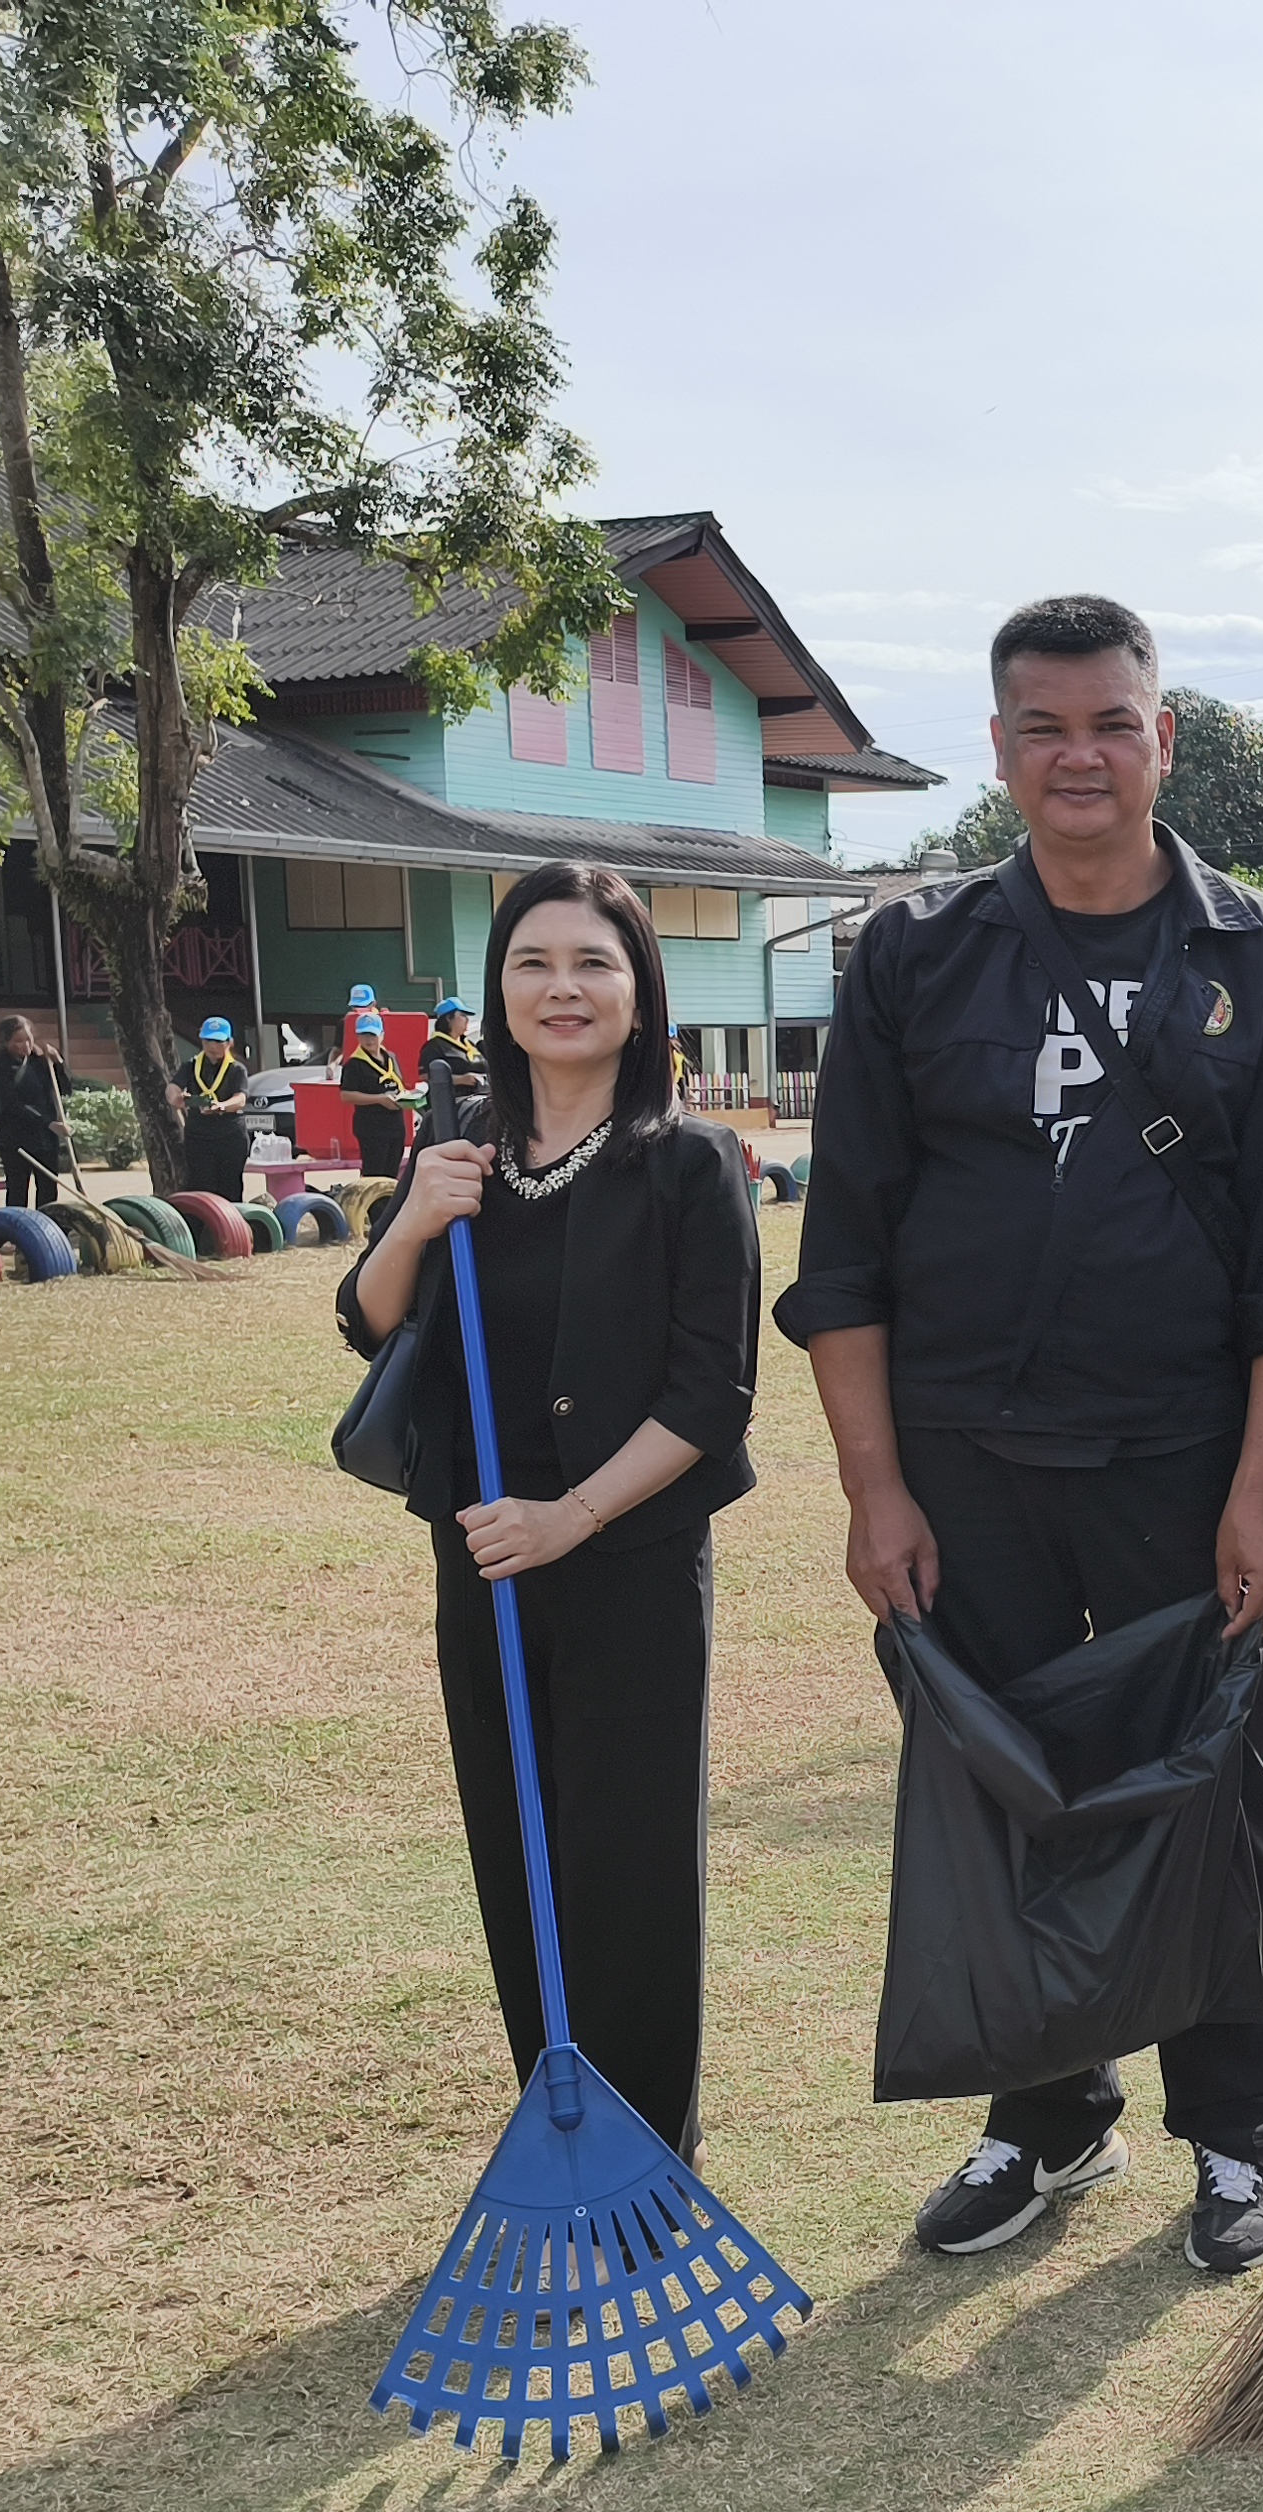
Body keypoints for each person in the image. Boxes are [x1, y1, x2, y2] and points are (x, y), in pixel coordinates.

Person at [780, 593, 1263, 2274]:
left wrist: (1260, 1487)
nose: (1078, 755)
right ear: (1001, 749)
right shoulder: (916, 954)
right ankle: (1044, 2119)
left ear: (1163, 739)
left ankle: (1234, 2137)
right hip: (969, 1458)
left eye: (1111, 723)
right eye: (1043, 727)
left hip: (1185, 1461)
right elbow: (847, 1249)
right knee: (1000, 1787)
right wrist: (875, 1490)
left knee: (1210, 1785)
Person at [339, 864, 760, 2157]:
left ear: (641, 993)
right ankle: (562, 2131)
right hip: (482, 1560)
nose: (562, 988)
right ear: (497, 990)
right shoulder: (456, 1152)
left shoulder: (692, 1164)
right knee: (518, 1862)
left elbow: (711, 1395)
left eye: (593, 963)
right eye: (534, 963)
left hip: (623, 1560)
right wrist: (415, 1219)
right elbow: (370, 1319)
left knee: (626, 1872)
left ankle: (648, 2164)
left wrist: (570, 1516)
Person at [0, 1017, 70, 1208]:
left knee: (48, 1190)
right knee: (18, 1191)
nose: (25, 1045)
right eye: (18, 1040)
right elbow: (13, 1105)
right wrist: (48, 1122)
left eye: (28, 1039)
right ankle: (16, 1233)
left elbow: (65, 1090)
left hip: (45, 1140)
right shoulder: (1, 1067)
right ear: (5, 1041)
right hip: (16, 1140)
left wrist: (58, 1063)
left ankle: (47, 1232)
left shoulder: (41, 1062)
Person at [178, 1015, 254, 1202]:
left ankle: (232, 1229)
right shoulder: (190, 1066)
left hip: (230, 1136)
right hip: (198, 1136)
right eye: (208, 1040)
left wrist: (222, 1106)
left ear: (230, 1043)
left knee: (230, 1187)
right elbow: (174, 1087)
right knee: (201, 1187)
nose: (212, 1046)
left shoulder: (237, 1069)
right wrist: (176, 1097)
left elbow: (241, 1098)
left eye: (219, 1041)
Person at [339, 997, 414, 1180]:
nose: (368, 1039)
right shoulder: (354, 1064)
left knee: (391, 1174)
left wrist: (407, 1097)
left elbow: (399, 1084)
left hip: (395, 1124)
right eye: (363, 1035)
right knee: (374, 1173)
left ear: (381, 1034)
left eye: (372, 1035)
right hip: (371, 1127)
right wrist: (379, 1099)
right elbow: (346, 1095)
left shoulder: (390, 1057)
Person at [419, 994, 485, 1135]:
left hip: (477, 1104)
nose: (467, 1020)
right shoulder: (434, 1046)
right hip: (450, 1109)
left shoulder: (470, 1044)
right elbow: (425, 1075)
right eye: (462, 1015)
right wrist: (461, 1079)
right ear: (448, 1018)